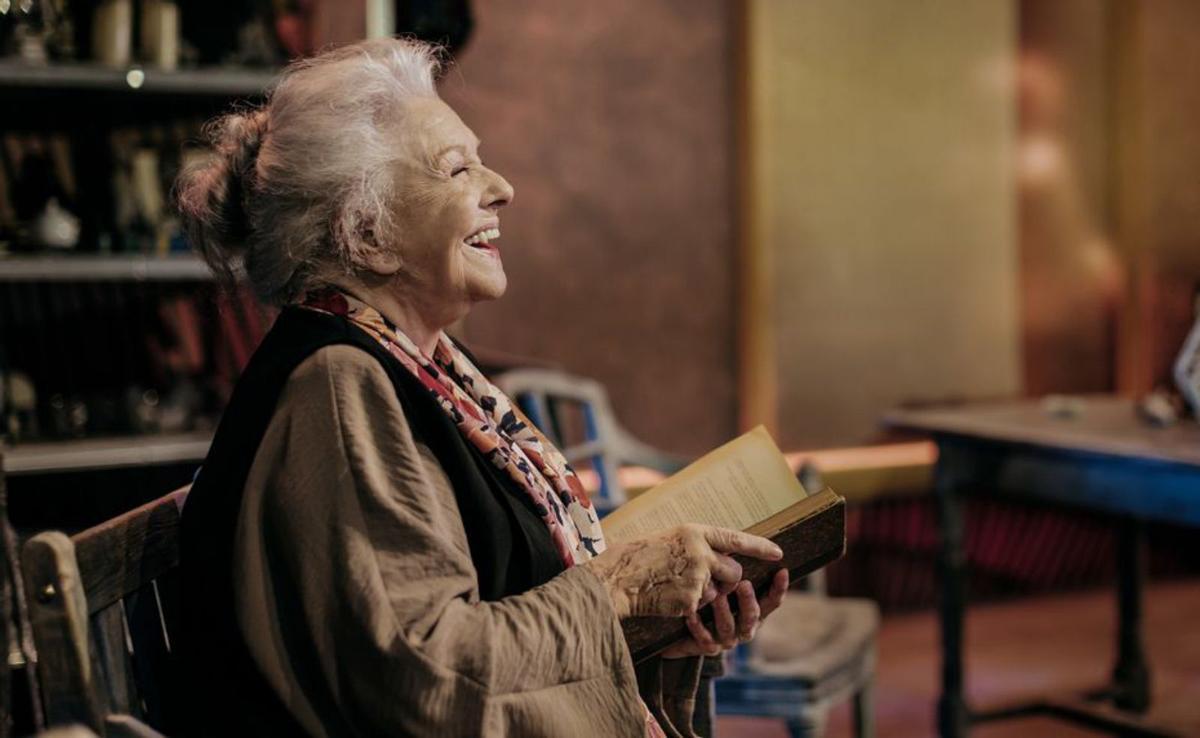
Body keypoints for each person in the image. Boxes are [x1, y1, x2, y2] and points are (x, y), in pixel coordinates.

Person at [174, 37, 789, 738]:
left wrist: (654, 621)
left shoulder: (415, 360)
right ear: (366, 231)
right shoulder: (339, 387)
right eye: (457, 168)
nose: (501, 187)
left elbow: (501, 619)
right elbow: (424, 674)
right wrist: (615, 589)